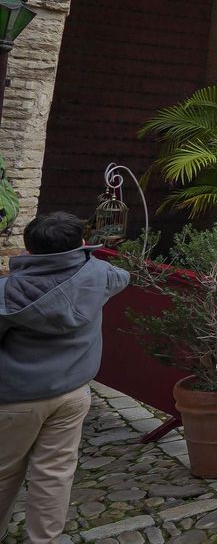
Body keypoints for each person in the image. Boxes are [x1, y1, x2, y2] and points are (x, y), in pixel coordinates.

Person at [0, 213, 130, 544]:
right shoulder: (98, 274)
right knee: (55, 474)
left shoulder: (7, 291)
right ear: (82, 246)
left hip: (16, 399)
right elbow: (123, 276)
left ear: (28, 249)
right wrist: (85, 256)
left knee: (3, 474)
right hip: (73, 392)